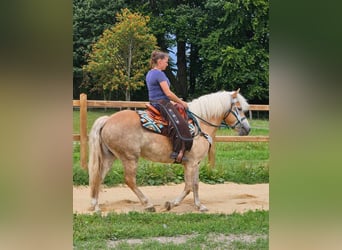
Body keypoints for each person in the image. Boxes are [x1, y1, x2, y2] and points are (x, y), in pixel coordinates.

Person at [146, 50, 193, 163]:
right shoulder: (159, 74)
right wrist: (182, 102)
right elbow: (168, 93)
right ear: (159, 61)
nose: (167, 64)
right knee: (179, 123)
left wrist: (174, 102)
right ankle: (176, 152)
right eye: (166, 62)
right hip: (162, 103)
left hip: (157, 102)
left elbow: (158, 93)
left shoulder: (150, 73)